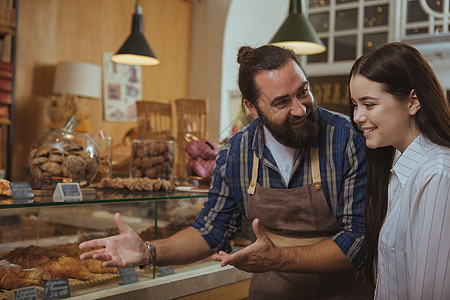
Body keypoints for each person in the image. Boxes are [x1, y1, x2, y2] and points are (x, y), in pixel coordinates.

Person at [80, 45, 369, 299]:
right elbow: (210, 231)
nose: (300, 109)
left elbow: (356, 241)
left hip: (344, 292)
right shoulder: (237, 152)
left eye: (303, 91)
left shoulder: (345, 139)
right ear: (252, 108)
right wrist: (148, 251)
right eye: (281, 102)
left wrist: (277, 258)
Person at [349, 42, 450, 299]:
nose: (357, 116)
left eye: (368, 104)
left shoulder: (436, 174)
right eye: (355, 104)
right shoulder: (398, 166)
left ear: (413, 101)